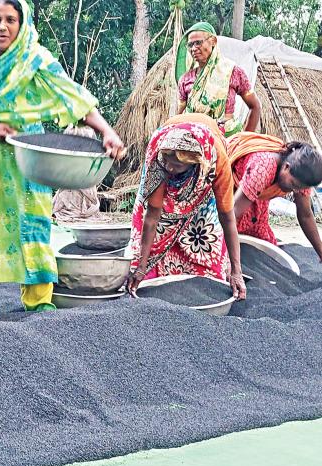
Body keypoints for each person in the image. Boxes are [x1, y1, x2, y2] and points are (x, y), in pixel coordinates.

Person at [0, 0, 125, 313]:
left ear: (22, 24)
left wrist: (107, 131)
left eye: (10, 20)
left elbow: (72, 98)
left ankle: (38, 298)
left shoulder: (36, 60)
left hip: (28, 155)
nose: (2, 27)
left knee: (33, 220)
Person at [126, 113, 246, 299]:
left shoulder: (215, 162)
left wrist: (237, 270)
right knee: (157, 231)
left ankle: (202, 276)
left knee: (204, 232)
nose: (170, 168)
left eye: (177, 166)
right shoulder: (159, 158)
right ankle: (152, 274)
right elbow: (152, 216)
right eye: (168, 163)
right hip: (166, 144)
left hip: (205, 167)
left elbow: (227, 218)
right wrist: (141, 267)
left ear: (195, 164)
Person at [228, 132, 322, 259]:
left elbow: (305, 215)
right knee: (226, 238)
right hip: (233, 191)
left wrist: (320, 252)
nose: (294, 190)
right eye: (293, 184)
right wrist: (232, 262)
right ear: (286, 167)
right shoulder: (263, 167)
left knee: (264, 246)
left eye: (299, 188)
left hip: (255, 195)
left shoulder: (300, 180)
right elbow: (232, 214)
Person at [176, 22, 260, 137]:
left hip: (225, 139)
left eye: (198, 43)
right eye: (190, 45)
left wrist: (244, 140)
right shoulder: (185, 79)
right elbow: (179, 115)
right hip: (191, 139)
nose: (193, 48)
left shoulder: (232, 72)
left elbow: (255, 106)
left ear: (213, 41)